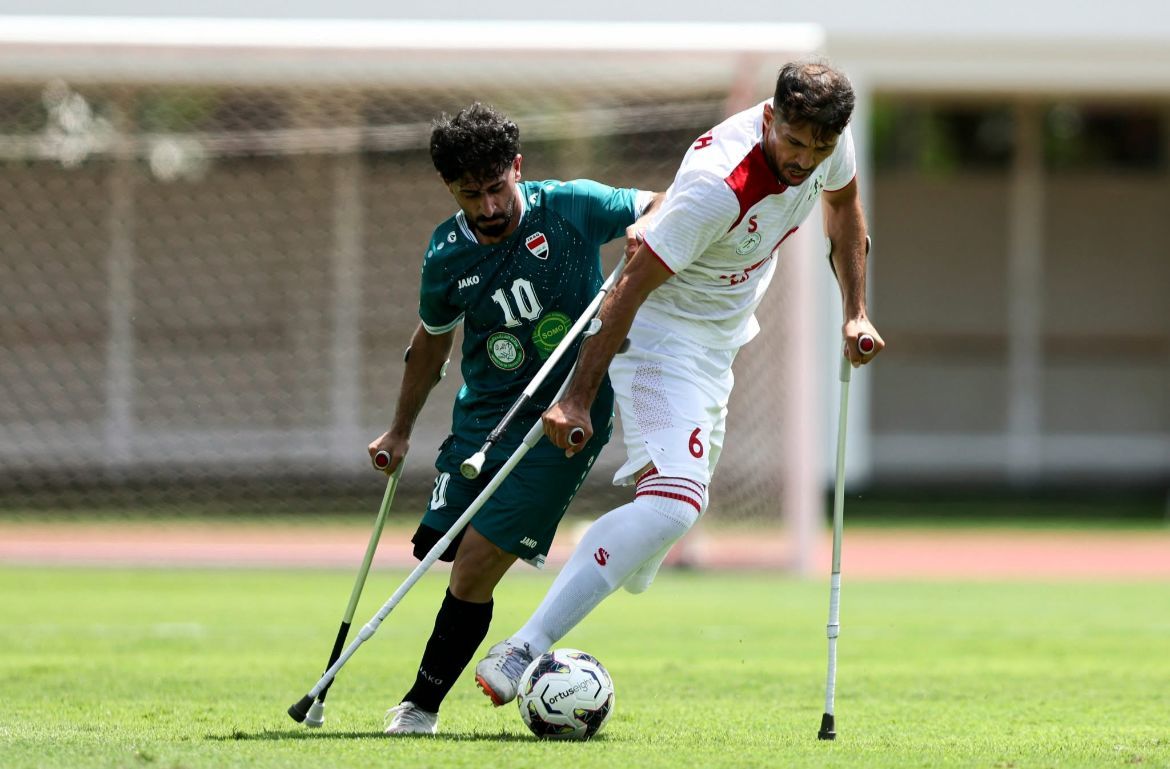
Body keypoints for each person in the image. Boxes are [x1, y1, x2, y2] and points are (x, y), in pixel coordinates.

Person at [474, 58, 885, 705]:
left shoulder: (832, 142)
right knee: (676, 503)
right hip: (659, 337)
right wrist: (577, 395)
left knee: (646, 556)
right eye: (795, 143)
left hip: (718, 346)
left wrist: (855, 310)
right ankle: (521, 648)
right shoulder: (717, 186)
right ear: (771, 119)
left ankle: (609, 540)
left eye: (821, 148)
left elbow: (845, 210)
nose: (806, 160)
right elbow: (629, 287)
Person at [368, 102, 661, 735]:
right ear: (450, 190)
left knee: (475, 562)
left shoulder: (572, 205)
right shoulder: (446, 255)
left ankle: (420, 707)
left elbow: (667, 206)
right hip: (484, 417)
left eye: (497, 188)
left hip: (567, 416)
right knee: (444, 555)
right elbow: (431, 344)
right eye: (470, 195)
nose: (489, 207)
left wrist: (648, 227)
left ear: (517, 169)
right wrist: (399, 430)